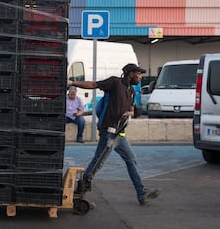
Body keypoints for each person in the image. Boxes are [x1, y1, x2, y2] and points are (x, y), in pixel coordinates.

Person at [68, 63, 160, 206]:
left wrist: (131, 112)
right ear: (130, 73)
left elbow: (132, 109)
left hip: (120, 135)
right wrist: (72, 82)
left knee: (131, 160)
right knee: (97, 164)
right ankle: (79, 196)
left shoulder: (131, 91)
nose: (140, 77)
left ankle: (142, 194)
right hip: (109, 133)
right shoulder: (114, 83)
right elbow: (93, 84)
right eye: (139, 74)